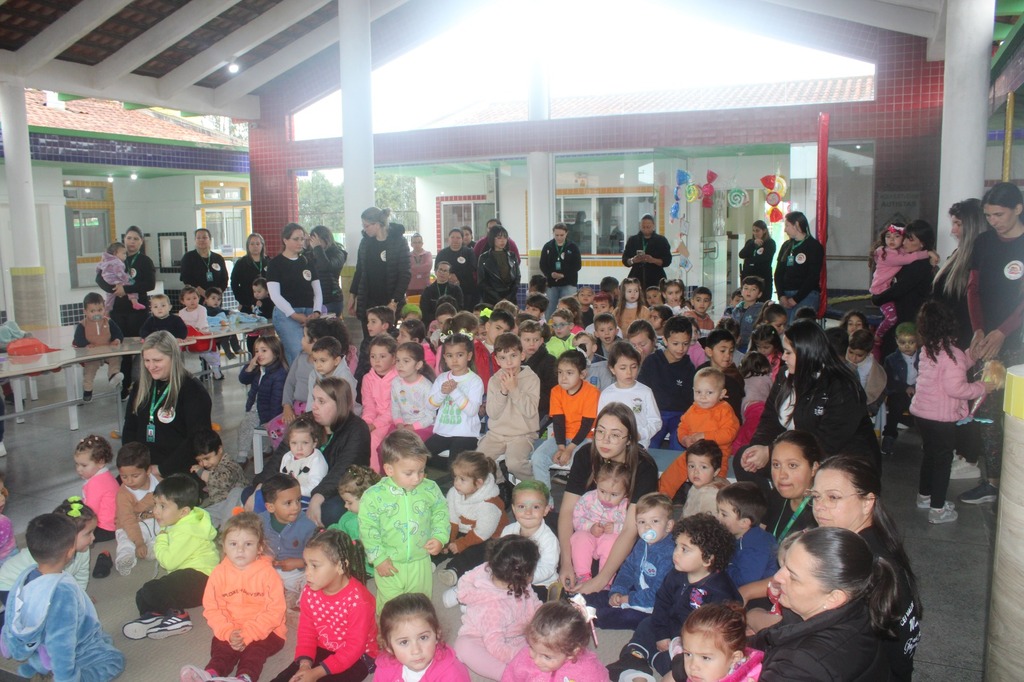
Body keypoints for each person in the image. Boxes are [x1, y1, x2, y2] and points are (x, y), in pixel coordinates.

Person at [808, 456, 921, 680]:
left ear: (867, 502)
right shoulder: (875, 539)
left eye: (833, 497)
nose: (819, 507)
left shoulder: (860, 562)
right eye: (815, 497)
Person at [735, 320, 880, 486]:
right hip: (795, 454)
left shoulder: (841, 386)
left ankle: (793, 505)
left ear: (807, 354)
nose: (783, 357)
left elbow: (827, 442)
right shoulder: (785, 375)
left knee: (795, 473)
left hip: (836, 461)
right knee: (744, 460)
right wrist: (758, 447)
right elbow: (770, 418)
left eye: (789, 353)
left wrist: (771, 451)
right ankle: (772, 507)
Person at [750, 527, 901, 680]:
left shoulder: (801, 665)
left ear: (833, 597)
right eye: (784, 566)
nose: (777, 577)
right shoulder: (857, 605)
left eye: (793, 577)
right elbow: (772, 637)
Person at [609, 513, 739, 679]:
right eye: (676, 546)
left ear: (707, 559)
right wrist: (662, 634)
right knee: (646, 625)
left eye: (684, 549)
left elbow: (722, 629)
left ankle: (650, 659)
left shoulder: (720, 591)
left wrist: (684, 643)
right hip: (669, 625)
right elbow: (662, 602)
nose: (675, 553)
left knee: (685, 665)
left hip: (693, 640)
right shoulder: (676, 574)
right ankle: (637, 660)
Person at [959, 181, 1024, 505]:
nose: (994, 221)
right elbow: (973, 288)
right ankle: (992, 482)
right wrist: (979, 330)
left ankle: (1016, 482)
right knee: (986, 412)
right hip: (987, 338)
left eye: (999, 214)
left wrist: (1002, 331)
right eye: (988, 215)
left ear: (1018, 209)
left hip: (1018, 339)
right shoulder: (984, 242)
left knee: (1015, 414)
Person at [3, 513, 125, 682]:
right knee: (114, 661)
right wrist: (67, 677)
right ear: (69, 552)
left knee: (104, 639)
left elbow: (12, 613)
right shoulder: (61, 592)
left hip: (41, 646)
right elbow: (61, 642)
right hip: (74, 649)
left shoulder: (27, 575)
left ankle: (38, 666)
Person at [557, 403, 661, 596]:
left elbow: (631, 528)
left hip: (621, 536)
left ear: (629, 439)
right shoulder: (585, 455)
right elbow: (567, 511)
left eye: (615, 435)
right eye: (600, 432)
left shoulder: (644, 467)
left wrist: (601, 580)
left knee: (634, 574)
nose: (605, 440)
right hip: (587, 531)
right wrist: (565, 563)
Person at [912, 301, 993, 524]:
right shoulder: (952, 353)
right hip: (941, 419)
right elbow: (957, 387)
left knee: (930, 456)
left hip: (923, 415)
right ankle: (938, 510)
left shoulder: (929, 349)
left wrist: (972, 355)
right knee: (943, 462)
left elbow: (955, 366)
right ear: (950, 325)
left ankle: (925, 497)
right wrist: (984, 387)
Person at [180, 512, 285, 682]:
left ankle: (244, 677)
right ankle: (211, 674)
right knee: (221, 648)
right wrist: (228, 632)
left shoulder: (268, 574)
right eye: (233, 544)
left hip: (268, 631)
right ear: (224, 546)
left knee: (254, 652)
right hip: (232, 628)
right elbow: (212, 609)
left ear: (259, 547)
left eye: (248, 544)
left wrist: (249, 634)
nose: (240, 550)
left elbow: (275, 612)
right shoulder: (218, 573)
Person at [257, 377, 371, 527]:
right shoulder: (307, 420)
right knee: (252, 494)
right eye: (314, 399)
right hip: (297, 490)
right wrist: (260, 486)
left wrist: (318, 496)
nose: (314, 406)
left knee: (331, 511)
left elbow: (343, 471)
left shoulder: (357, 429)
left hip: (336, 491)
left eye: (321, 401)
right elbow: (280, 455)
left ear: (340, 404)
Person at [268, 529, 378, 682]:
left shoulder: (359, 602)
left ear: (340, 566)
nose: (307, 572)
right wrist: (305, 665)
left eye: (315, 566)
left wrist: (317, 673)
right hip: (323, 646)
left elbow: (354, 648)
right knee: (287, 678)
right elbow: (307, 632)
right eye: (306, 565)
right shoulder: (309, 592)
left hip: (358, 656)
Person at [358, 430, 448, 614]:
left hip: (420, 561)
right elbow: (368, 528)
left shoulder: (430, 488)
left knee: (420, 606)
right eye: (409, 473)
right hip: (389, 562)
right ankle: (388, 637)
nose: (417, 478)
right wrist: (378, 557)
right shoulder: (374, 496)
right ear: (389, 469)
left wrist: (440, 536)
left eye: (421, 471)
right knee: (391, 609)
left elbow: (441, 511)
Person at [122, 474, 219, 641]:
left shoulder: (186, 530)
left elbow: (168, 562)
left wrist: (160, 537)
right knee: (142, 594)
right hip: (192, 576)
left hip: (202, 580)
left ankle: (178, 617)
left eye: (163, 506)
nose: (156, 511)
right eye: (156, 504)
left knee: (152, 590)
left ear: (183, 512)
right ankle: (152, 617)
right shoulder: (185, 520)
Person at [931, 198, 987, 480]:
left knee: (965, 401)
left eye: (957, 223)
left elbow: (969, 309)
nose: (953, 229)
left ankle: (969, 457)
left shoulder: (977, 259)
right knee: (952, 401)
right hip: (949, 344)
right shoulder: (959, 255)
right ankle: (961, 452)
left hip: (962, 345)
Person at [122, 331, 213, 477]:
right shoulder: (141, 386)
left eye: (157, 360)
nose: (151, 366)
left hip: (179, 468)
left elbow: (196, 440)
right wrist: (133, 464)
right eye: (147, 360)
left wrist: (162, 469)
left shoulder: (192, 391)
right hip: (143, 468)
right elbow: (130, 428)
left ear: (173, 358)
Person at [452, 535, 542, 681]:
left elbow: (533, 600)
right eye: (532, 571)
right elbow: (496, 647)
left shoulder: (496, 569)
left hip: (513, 632)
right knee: (464, 647)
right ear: (521, 576)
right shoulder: (494, 608)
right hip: (483, 637)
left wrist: (544, 615)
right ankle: (508, 675)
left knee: (543, 642)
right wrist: (522, 656)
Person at [585, 492, 675, 631]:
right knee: (599, 597)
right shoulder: (642, 544)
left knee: (621, 617)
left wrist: (627, 599)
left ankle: (591, 616)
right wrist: (617, 591)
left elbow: (658, 594)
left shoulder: (669, 555)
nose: (647, 527)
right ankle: (577, 603)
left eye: (655, 521)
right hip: (639, 590)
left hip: (657, 606)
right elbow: (627, 569)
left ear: (668, 526)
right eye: (642, 522)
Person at [96, 225, 156, 398]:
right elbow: (98, 277)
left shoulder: (145, 261)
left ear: (141, 242)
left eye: (136, 239)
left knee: (139, 349)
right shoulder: (111, 257)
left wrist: (127, 290)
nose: (132, 242)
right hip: (117, 311)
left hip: (138, 312)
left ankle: (141, 385)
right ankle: (123, 387)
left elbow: (149, 284)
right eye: (129, 238)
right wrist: (115, 289)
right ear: (124, 239)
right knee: (121, 349)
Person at [528, 349, 600, 489]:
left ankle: (578, 502)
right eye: (560, 372)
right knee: (538, 458)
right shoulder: (556, 391)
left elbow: (586, 426)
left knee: (577, 461)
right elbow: (558, 422)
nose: (563, 378)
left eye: (569, 373)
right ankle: (546, 502)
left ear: (583, 374)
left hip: (586, 438)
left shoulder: (592, 392)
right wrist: (561, 448)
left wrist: (568, 450)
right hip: (560, 438)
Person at [436, 451, 508, 584]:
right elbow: (452, 519)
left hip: (488, 537)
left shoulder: (490, 504)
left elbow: (482, 533)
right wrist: (448, 541)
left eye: (462, 479)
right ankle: (433, 560)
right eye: (455, 477)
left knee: (476, 552)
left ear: (479, 483)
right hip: (466, 530)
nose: (456, 482)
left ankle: (454, 570)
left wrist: (461, 544)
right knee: (440, 535)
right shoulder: (454, 492)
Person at [871, 219, 937, 357]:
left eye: (910, 239)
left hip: (909, 323)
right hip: (904, 319)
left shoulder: (919, 265)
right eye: (905, 238)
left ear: (922, 243)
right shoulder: (910, 259)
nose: (904, 242)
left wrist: (877, 298)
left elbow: (899, 289)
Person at [502, 600, 608, 681]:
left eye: (547, 657)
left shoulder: (589, 671)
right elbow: (510, 677)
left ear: (572, 651)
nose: (536, 660)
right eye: (532, 648)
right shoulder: (523, 658)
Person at [374, 593, 471, 681]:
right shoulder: (385, 668)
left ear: (437, 634)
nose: (416, 650)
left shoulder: (453, 674)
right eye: (404, 642)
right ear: (388, 646)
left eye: (423, 638)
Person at [257, 474, 317, 609]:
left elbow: (317, 558)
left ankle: (297, 602)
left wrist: (299, 562)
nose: (296, 507)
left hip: (298, 573)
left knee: (314, 584)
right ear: (270, 507)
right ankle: (279, 600)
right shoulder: (258, 522)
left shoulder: (307, 526)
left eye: (298, 500)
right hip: (268, 573)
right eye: (288, 503)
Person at [348, 207, 411, 336]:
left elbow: (405, 274)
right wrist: (352, 296)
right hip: (368, 300)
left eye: (366, 226)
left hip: (389, 300)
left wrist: (394, 301)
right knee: (369, 339)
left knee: (388, 340)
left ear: (377, 224)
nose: (364, 229)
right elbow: (359, 270)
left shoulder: (399, 242)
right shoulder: (365, 243)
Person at [267, 223, 323, 365]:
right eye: (296, 239)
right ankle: (296, 386)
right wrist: (293, 314)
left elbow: (317, 290)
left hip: (309, 313)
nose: (300, 243)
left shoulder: (307, 261)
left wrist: (316, 311)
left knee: (314, 352)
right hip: (287, 314)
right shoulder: (276, 264)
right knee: (298, 353)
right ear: (285, 240)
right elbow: (275, 295)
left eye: (302, 239)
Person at [425, 332, 485, 464]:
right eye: (449, 355)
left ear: (469, 356)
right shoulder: (442, 378)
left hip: (466, 434)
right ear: (444, 357)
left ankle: (457, 480)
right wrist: (442, 393)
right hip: (443, 432)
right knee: (420, 456)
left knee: (456, 463)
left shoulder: (475, 381)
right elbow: (430, 406)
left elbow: (472, 411)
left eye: (460, 355)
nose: (454, 360)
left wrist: (454, 391)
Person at [666, 603, 764, 682]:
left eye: (705, 658)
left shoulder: (753, 678)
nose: (692, 666)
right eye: (688, 654)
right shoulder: (705, 676)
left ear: (734, 658)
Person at [568, 459, 630, 584]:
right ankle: (582, 575)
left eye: (614, 494)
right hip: (589, 535)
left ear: (625, 492)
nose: (606, 498)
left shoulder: (626, 506)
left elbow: (631, 528)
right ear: (596, 482)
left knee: (612, 542)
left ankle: (605, 579)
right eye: (602, 491)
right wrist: (590, 527)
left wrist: (616, 528)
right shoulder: (588, 498)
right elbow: (576, 518)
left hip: (608, 540)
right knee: (578, 537)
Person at [639, 315, 695, 450]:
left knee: (680, 446)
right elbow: (642, 390)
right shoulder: (652, 362)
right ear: (665, 340)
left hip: (680, 416)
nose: (681, 348)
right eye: (675, 344)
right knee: (649, 446)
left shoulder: (689, 367)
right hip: (655, 413)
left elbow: (691, 400)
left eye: (685, 343)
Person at [715, 482, 778, 594]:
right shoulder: (741, 534)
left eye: (724, 514)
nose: (718, 517)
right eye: (718, 511)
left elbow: (745, 581)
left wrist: (722, 565)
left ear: (744, 522)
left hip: (758, 597)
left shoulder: (756, 548)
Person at [236, 333, 288, 463]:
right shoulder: (258, 368)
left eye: (264, 350)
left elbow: (277, 401)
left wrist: (270, 421)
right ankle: (264, 448)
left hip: (269, 413)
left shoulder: (279, 374)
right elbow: (243, 379)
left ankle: (242, 457)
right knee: (247, 427)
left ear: (276, 352)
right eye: (256, 351)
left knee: (246, 425)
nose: (259, 354)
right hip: (256, 408)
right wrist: (250, 366)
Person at [114, 443, 161, 576]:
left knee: (170, 529)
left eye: (135, 476)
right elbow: (128, 520)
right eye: (124, 477)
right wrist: (139, 542)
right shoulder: (123, 494)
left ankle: (155, 546)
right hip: (131, 524)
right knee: (126, 540)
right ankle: (125, 557)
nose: (129, 481)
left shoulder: (159, 482)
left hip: (155, 519)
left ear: (148, 471)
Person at [774, 211, 824, 322]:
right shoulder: (786, 246)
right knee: (785, 329)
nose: (785, 230)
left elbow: (813, 276)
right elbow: (778, 273)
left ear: (796, 225)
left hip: (807, 294)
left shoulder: (814, 246)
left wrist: (796, 299)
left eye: (787, 225)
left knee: (798, 328)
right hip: (786, 295)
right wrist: (781, 295)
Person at [189, 430, 244, 528]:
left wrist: (202, 473)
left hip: (233, 506)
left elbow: (223, 481)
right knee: (198, 516)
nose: (204, 464)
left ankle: (226, 530)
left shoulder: (230, 465)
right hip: (218, 507)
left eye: (207, 458)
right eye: (199, 461)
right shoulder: (213, 467)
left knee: (237, 492)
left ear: (219, 450)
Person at [72, 434, 118, 544]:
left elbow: (89, 512)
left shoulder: (95, 483)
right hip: (113, 524)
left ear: (100, 462)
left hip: (105, 528)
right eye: (76, 464)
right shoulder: (105, 475)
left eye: (84, 465)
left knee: (71, 534)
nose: (79, 469)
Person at [177, 285, 223, 380]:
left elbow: (201, 322)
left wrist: (195, 330)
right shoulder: (181, 312)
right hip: (188, 339)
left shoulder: (202, 309)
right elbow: (181, 325)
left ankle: (215, 367)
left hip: (202, 336)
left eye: (195, 298)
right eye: (188, 299)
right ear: (183, 301)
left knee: (210, 353)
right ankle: (191, 376)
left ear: (199, 298)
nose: (192, 301)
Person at [539, 223, 582, 319]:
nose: (559, 237)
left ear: (566, 233)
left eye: (561, 235)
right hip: (552, 283)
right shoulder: (548, 246)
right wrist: (551, 274)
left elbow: (577, 265)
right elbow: (542, 264)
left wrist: (563, 275)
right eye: (556, 235)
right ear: (553, 234)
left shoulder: (572, 247)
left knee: (569, 308)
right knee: (550, 309)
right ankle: (550, 330)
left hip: (569, 283)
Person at [623, 214, 673, 291]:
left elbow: (667, 261)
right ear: (640, 226)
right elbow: (625, 260)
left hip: (656, 277)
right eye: (643, 227)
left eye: (648, 227)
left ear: (653, 226)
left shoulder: (661, 240)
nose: (646, 229)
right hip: (636, 277)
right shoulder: (633, 240)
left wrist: (653, 260)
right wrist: (633, 260)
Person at [307, 224, 347, 315]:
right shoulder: (313, 253)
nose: (314, 243)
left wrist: (318, 248)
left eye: (318, 240)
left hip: (331, 300)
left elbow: (326, 266)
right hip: (314, 300)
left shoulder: (338, 253)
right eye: (312, 240)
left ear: (326, 239)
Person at [477, 223, 522, 305]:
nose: (503, 240)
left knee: (511, 317)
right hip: (490, 299)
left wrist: (508, 298)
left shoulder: (512, 256)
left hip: (510, 299)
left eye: (505, 238)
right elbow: (482, 282)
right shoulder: (484, 257)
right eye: (499, 238)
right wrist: (498, 298)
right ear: (492, 238)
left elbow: (517, 278)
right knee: (485, 317)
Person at [179, 228, 227, 303]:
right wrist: (206, 295)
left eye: (204, 237)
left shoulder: (218, 258)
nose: (201, 240)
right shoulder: (188, 257)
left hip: (215, 300)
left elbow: (224, 278)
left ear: (210, 240)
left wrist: (215, 295)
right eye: (198, 238)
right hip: (196, 299)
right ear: (195, 240)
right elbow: (186, 278)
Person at [97, 241, 145, 313]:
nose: (125, 255)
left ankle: (106, 311)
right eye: (123, 253)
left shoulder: (105, 260)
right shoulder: (118, 262)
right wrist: (127, 279)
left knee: (109, 297)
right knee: (130, 286)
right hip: (115, 280)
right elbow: (120, 274)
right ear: (115, 254)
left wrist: (101, 273)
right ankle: (135, 302)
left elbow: (98, 267)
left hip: (107, 280)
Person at [435, 228, 478, 309]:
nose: (455, 240)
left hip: (467, 289)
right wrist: (449, 276)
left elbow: (472, 267)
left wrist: (457, 276)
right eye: (452, 237)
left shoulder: (469, 252)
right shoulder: (442, 253)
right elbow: (437, 269)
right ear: (448, 239)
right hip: (447, 290)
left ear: (462, 239)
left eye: (458, 238)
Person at [739, 219, 777, 302]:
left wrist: (749, 260)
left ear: (764, 231)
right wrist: (753, 244)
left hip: (762, 277)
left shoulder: (770, 243)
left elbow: (764, 258)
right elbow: (742, 254)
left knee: (762, 302)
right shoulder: (750, 242)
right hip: (749, 276)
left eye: (757, 230)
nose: (755, 233)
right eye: (753, 231)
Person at [230, 233, 268, 314]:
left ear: (262, 245)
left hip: (267, 304)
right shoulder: (241, 263)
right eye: (252, 244)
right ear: (248, 246)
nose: (255, 246)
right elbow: (234, 283)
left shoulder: (269, 262)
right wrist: (241, 300)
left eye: (258, 244)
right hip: (247, 304)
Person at [421, 260, 464, 325]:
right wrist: (438, 320)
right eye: (440, 270)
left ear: (449, 274)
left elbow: (459, 309)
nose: (442, 273)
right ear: (435, 272)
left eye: (445, 271)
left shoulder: (456, 289)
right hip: (433, 322)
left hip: (452, 322)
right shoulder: (428, 290)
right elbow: (424, 312)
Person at [406, 232, 433, 296]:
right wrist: (422, 269)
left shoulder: (428, 254)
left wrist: (413, 268)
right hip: (411, 288)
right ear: (411, 244)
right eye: (415, 242)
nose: (417, 244)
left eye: (419, 242)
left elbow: (428, 267)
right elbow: (407, 269)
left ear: (422, 243)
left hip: (425, 287)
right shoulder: (407, 255)